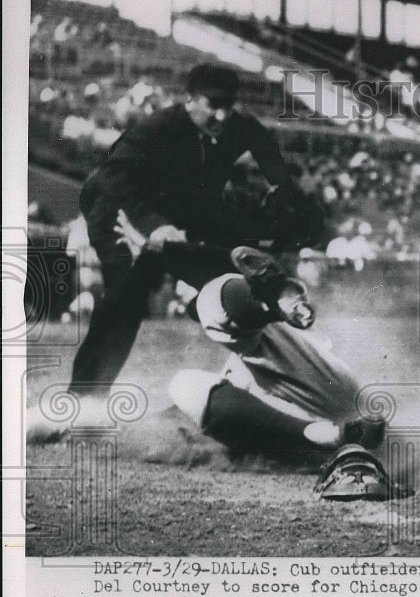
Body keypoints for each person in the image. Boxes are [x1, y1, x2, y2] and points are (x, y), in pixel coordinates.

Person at [68, 63, 320, 397]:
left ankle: (290, 375)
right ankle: (83, 398)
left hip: (180, 212)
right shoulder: (156, 128)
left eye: (228, 106)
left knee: (242, 271)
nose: (222, 115)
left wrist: (283, 189)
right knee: (128, 292)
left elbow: (267, 150)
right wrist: (151, 227)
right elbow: (112, 179)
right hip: (118, 210)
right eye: (213, 105)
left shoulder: (237, 125)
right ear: (189, 101)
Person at [116, 213, 408, 501]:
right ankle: (333, 437)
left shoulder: (240, 312)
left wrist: (161, 252)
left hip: (319, 404)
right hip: (346, 409)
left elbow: (223, 288)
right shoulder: (255, 340)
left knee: (185, 382)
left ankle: (323, 433)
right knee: (193, 400)